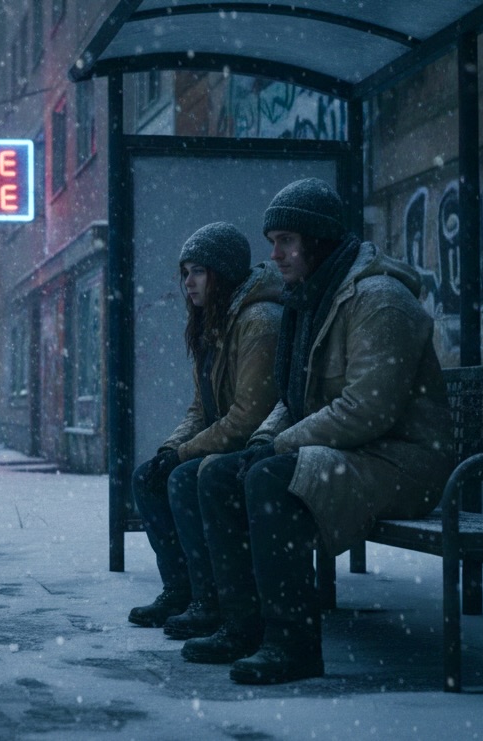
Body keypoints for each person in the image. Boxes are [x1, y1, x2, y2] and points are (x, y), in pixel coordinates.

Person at [184, 178, 454, 684]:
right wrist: (264, 441)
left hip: (404, 462)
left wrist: (277, 449)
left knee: (269, 481)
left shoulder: (378, 300)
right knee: (219, 475)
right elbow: (295, 398)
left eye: (286, 240)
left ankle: (293, 645)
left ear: (318, 240)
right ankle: (243, 626)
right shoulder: (314, 299)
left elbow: (367, 409)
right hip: (357, 454)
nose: (276, 254)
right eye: (273, 242)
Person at [128, 222, 286, 634]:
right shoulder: (215, 323)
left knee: (184, 477)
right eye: (185, 273)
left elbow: (249, 415)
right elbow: (201, 408)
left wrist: (184, 455)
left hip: (260, 446)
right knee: (149, 476)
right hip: (232, 443)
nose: (189, 282)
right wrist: (170, 448)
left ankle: (210, 598)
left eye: (198, 271)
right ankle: (181, 589)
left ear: (223, 273)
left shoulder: (259, 321)